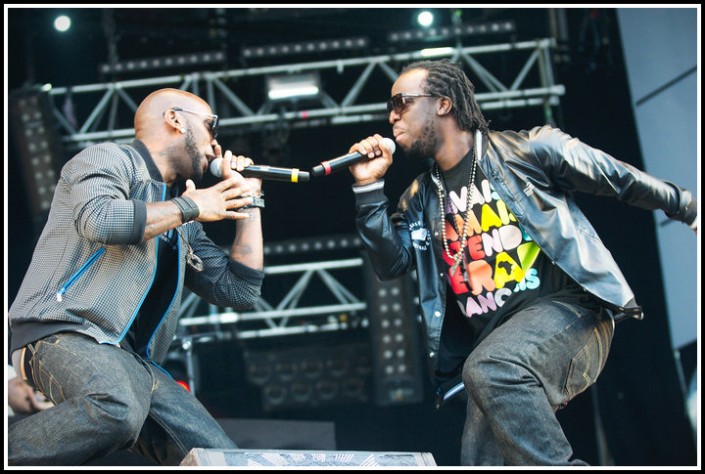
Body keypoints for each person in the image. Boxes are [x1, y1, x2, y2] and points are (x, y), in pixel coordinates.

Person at [346, 59, 697, 466]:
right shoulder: (418, 198)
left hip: (572, 315)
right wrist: (369, 187)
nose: (391, 115)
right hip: (497, 352)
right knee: (480, 460)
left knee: (491, 366)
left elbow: (614, 177)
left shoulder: (528, 150)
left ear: (443, 103)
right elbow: (392, 264)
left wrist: (687, 206)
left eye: (401, 102)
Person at [8, 88, 266, 466]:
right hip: (60, 331)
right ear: (175, 120)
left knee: (218, 458)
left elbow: (240, 290)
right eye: (212, 126)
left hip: (131, 361)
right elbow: (101, 219)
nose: (216, 144)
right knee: (117, 405)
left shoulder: (180, 219)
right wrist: (193, 205)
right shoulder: (108, 159)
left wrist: (250, 200)